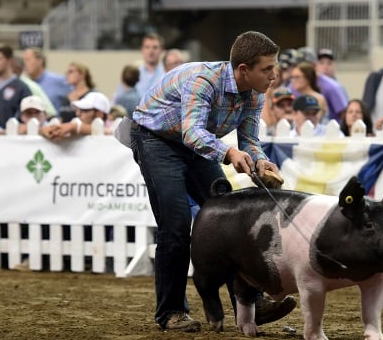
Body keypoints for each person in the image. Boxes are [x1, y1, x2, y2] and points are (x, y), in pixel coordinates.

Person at [129, 31, 295, 332]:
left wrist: (258, 159)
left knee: (229, 221)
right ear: (244, 69)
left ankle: (252, 303)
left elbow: (249, 139)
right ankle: (171, 311)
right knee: (176, 223)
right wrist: (229, 152)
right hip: (156, 140)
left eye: (274, 67)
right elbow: (193, 133)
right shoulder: (202, 81)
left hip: (196, 143)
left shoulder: (256, 92)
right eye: (267, 68)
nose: (275, 74)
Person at [41, 91, 110, 141]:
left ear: (99, 114)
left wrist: (75, 127)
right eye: (79, 110)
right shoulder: (75, 128)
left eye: (85, 110)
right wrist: (43, 130)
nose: (78, 114)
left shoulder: (111, 131)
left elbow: (108, 132)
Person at [22, 47, 72, 113]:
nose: (24, 64)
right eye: (23, 61)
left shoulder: (57, 81)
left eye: (28, 60)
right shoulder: (23, 84)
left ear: (40, 61)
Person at [115, 32, 165, 99]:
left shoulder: (166, 73)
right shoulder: (133, 72)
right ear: (142, 49)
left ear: (161, 50)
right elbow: (119, 96)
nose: (151, 51)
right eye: (147, 47)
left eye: (155, 47)